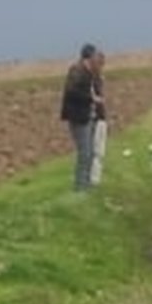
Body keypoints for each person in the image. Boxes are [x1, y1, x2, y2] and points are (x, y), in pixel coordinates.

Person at [60, 43, 104, 192]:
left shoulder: (91, 72)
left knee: (90, 152)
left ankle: (86, 185)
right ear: (89, 57)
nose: (97, 59)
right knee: (84, 153)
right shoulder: (77, 71)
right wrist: (91, 99)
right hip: (79, 119)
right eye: (95, 56)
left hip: (88, 117)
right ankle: (80, 188)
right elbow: (71, 92)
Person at [89, 50, 108, 187]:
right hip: (95, 118)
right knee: (95, 151)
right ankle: (92, 180)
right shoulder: (90, 79)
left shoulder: (99, 79)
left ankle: (96, 179)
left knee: (100, 151)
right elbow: (93, 98)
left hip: (101, 117)